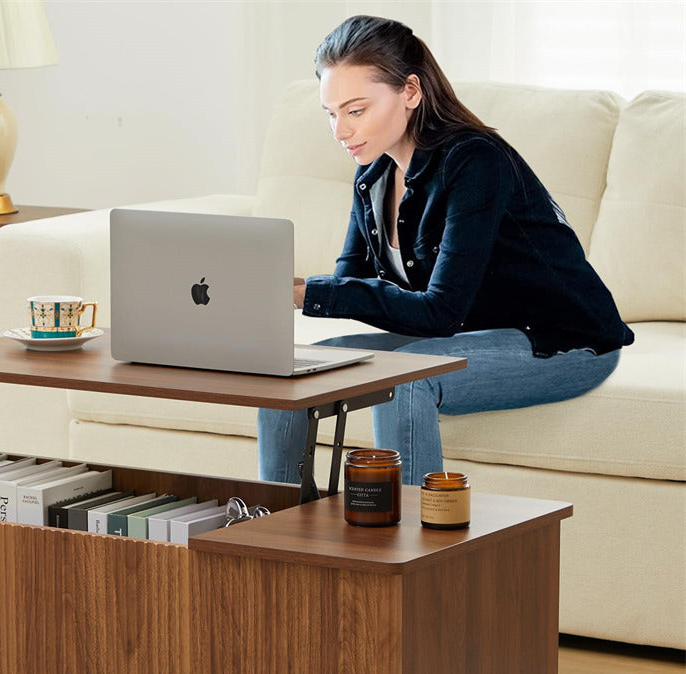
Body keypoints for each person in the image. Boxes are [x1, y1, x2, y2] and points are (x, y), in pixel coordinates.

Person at [258, 16, 633, 486]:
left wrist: (305, 292)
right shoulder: (371, 176)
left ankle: (410, 551)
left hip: (564, 340)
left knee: (405, 380)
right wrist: (274, 287)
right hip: (466, 333)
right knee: (294, 370)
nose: (339, 131)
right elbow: (351, 281)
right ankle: (275, 530)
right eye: (331, 114)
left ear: (410, 92)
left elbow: (440, 313)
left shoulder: (474, 160)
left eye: (355, 111)